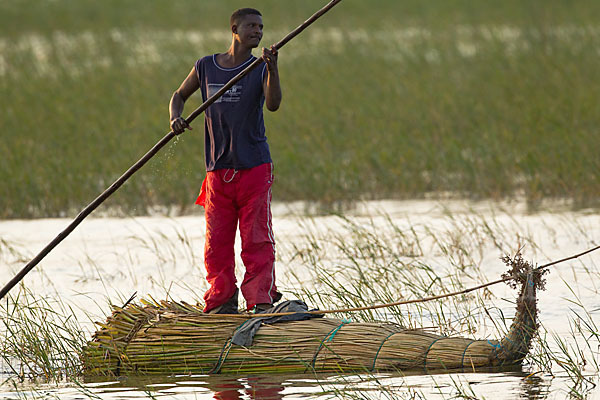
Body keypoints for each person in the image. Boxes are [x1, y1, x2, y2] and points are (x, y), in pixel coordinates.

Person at [169, 8, 282, 314]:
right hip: (218, 171)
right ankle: (222, 299)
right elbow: (178, 96)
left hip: (255, 167)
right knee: (216, 242)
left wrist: (273, 70)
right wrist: (175, 118)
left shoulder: (258, 67)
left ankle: (260, 299)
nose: (258, 31)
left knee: (256, 239)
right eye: (251, 26)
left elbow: (272, 104)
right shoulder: (206, 66)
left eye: (261, 26)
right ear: (235, 29)